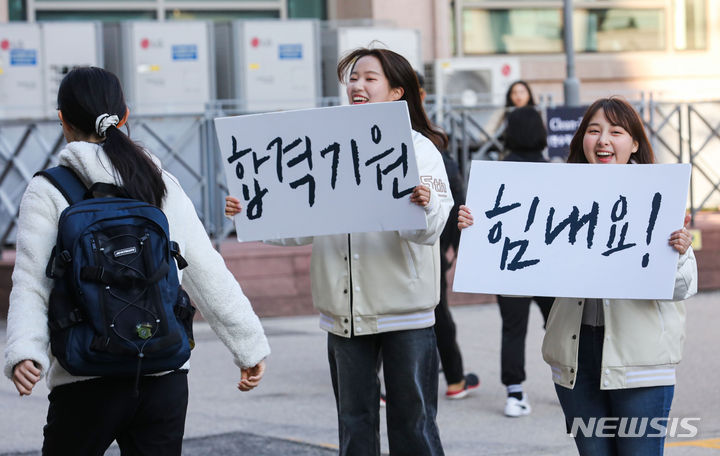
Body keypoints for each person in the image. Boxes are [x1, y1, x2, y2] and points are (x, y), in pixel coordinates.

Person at [4, 67, 270, 456]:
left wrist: (26, 350)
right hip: (162, 372)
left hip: (86, 375)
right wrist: (248, 345)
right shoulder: (156, 178)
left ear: (62, 120)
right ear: (124, 115)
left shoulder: (49, 189)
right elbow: (202, 266)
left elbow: (31, 280)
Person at [226, 48, 452, 456]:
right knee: (354, 424)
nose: (357, 86)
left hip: (407, 312)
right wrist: (252, 212)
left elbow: (432, 229)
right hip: (344, 315)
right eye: (352, 78)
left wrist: (425, 204)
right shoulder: (324, 143)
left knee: (413, 424)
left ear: (397, 91)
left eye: (369, 78)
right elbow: (299, 227)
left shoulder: (421, 150)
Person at [458, 96, 697, 455]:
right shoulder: (557, 193)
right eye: (593, 130)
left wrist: (677, 252)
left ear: (634, 144)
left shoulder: (659, 197)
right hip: (576, 356)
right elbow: (513, 263)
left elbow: (682, 288)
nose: (603, 140)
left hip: (640, 360)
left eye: (616, 132)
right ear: (581, 140)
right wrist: (481, 231)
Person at [417, 71, 480, 399]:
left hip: (423, 241)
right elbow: (455, 199)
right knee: (435, 311)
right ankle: (454, 379)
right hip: (432, 246)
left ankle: (385, 389)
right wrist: (453, 247)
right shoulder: (432, 142)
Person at [495, 105, 554, 417]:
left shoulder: (499, 172)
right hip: (548, 264)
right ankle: (571, 381)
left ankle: (514, 392)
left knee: (513, 329)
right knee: (560, 325)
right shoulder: (553, 171)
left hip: (510, 262)